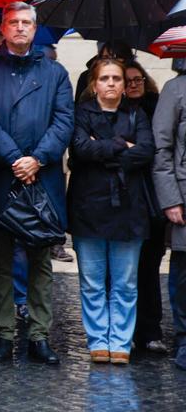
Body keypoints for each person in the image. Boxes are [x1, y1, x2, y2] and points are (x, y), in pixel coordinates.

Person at [0, 1, 73, 366]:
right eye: (13, 22)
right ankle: (5, 333)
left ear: (34, 27)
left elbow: (63, 121)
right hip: (3, 177)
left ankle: (40, 335)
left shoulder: (55, 73)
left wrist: (38, 159)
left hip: (41, 177)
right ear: (4, 27)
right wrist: (15, 159)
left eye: (27, 22)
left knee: (40, 260)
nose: (20, 28)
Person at [68, 58, 155, 366]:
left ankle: (120, 340)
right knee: (92, 281)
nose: (111, 83)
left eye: (117, 78)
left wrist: (104, 147)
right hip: (88, 208)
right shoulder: (82, 114)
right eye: (105, 78)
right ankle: (97, 341)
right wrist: (122, 146)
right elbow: (79, 150)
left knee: (125, 282)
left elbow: (146, 152)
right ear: (94, 83)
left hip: (129, 209)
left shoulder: (138, 114)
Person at [124, 60, 169, 354]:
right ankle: (124, 331)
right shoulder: (109, 109)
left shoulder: (156, 105)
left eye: (138, 79)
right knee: (122, 272)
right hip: (122, 201)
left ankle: (150, 330)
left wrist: (134, 149)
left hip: (150, 200)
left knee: (149, 269)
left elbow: (154, 149)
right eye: (128, 80)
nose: (133, 84)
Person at [152, 68, 186, 371]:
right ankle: (184, 338)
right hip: (184, 195)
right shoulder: (175, 89)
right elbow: (162, 150)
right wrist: (171, 198)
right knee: (184, 275)